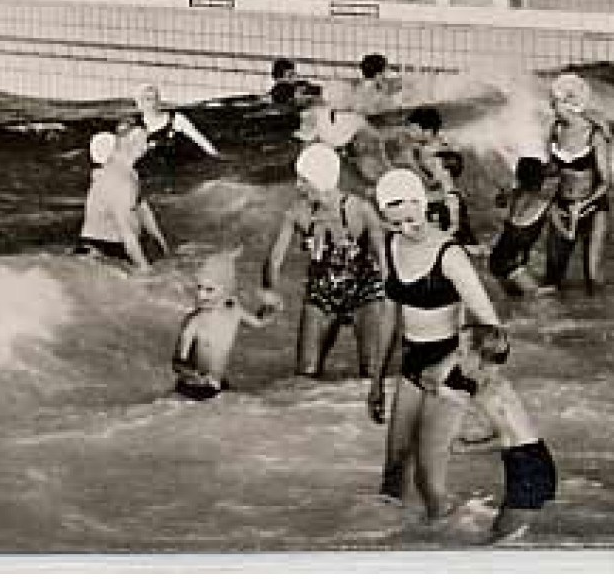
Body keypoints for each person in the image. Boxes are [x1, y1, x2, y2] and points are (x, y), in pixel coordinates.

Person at [368, 169, 503, 522]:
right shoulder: (390, 245)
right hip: (412, 363)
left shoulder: (449, 253)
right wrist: (377, 380)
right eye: (396, 224)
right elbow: (388, 315)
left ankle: (455, 544)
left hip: (449, 368)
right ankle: (385, 543)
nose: (407, 229)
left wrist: (450, 367)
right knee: (395, 465)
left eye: (411, 219)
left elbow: (492, 328)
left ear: (423, 205)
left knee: (428, 478)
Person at [260, 144, 389, 378]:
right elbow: (274, 259)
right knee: (306, 374)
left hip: (365, 289)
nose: (298, 186)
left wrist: (396, 299)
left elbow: (383, 255)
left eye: (303, 180)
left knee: (372, 372)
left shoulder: (360, 209)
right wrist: (270, 291)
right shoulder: (296, 214)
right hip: (321, 291)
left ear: (320, 180)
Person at [431, 325, 557, 544]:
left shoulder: (487, 393)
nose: (456, 358)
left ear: (478, 356)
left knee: (499, 540)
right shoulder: (496, 384)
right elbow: (434, 382)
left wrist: (466, 448)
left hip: (526, 467)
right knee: (511, 536)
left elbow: (506, 439)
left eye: (460, 352)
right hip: (536, 461)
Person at [173, 247, 273, 400]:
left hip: (217, 384)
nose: (201, 295)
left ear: (227, 291)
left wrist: (271, 306)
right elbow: (178, 363)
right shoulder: (194, 321)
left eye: (209, 290)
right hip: (193, 388)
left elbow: (259, 323)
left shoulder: (234, 311)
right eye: (199, 288)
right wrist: (195, 376)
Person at [543, 73, 610, 294]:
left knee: (593, 277)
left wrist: (583, 204)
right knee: (552, 277)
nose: (552, 107)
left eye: (554, 102)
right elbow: (553, 169)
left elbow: (605, 183)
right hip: (562, 205)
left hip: (593, 207)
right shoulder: (555, 130)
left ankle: (599, 323)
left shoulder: (594, 134)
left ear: (568, 102)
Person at [76, 125, 169, 272]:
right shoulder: (120, 179)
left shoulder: (130, 173)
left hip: (117, 247)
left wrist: (162, 244)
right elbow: (125, 230)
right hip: (101, 251)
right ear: (128, 144)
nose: (148, 146)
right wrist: (145, 270)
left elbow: (142, 208)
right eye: (143, 141)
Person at [395, 107, 476, 250]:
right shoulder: (439, 144)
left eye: (413, 129)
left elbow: (434, 184)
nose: (409, 132)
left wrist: (412, 164)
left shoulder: (430, 155)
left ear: (428, 131)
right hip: (452, 201)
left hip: (445, 205)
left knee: (444, 245)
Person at [488, 157, 556, 298]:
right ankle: (518, 292)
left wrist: (503, 194)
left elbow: (507, 211)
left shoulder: (518, 195)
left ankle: (529, 289)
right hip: (519, 249)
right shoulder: (543, 198)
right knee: (508, 264)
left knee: (499, 266)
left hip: (507, 245)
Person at [133, 84, 219, 168]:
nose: (153, 103)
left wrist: (215, 156)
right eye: (147, 99)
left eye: (155, 99)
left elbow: (199, 138)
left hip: (179, 167)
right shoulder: (136, 127)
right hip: (154, 171)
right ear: (139, 103)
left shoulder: (175, 119)